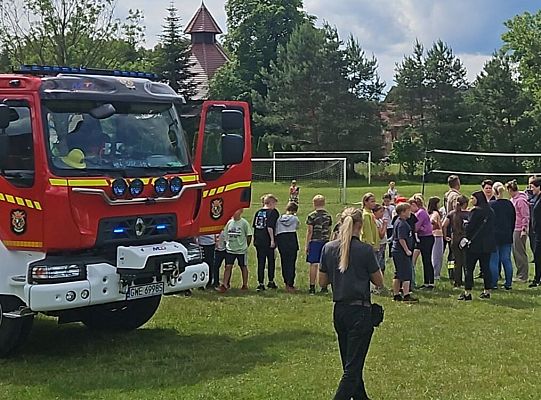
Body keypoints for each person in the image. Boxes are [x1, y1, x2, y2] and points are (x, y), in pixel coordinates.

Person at [319, 208, 384, 400]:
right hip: (360, 311)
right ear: (360, 225)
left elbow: (322, 282)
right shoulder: (364, 250)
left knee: (350, 362)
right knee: (352, 368)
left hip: (340, 310)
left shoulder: (328, 248)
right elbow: (379, 281)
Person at [459, 191, 496, 301]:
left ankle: (467, 292)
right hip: (487, 244)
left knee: (469, 269)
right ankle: (487, 291)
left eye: (472, 198)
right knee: (486, 268)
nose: (471, 200)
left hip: (474, 245)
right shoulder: (491, 211)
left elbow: (469, 227)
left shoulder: (475, 211)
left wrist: (465, 224)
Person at [216, 209, 253, 293]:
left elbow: (249, 235)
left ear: (241, 211)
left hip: (241, 250)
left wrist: (246, 245)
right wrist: (227, 243)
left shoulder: (244, 223)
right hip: (230, 249)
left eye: (237, 211)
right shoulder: (229, 222)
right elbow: (225, 234)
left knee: (243, 266)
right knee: (228, 266)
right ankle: (225, 284)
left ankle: (245, 284)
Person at [489, 182, 516, 290]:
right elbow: (513, 219)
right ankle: (508, 283)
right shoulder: (509, 204)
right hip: (507, 234)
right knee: (506, 259)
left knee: (494, 260)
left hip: (494, 236)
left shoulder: (491, 205)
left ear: (494, 192)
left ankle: (494, 283)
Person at [391, 203, 419, 302]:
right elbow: (401, 238)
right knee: (406, 273)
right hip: (401, 251)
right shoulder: (402, 224)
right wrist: (407, 250)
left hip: (397, 251)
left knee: (398, 273)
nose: (410, 212)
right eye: (408, 211)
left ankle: (396, 294)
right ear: (402, 212)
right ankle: (406, 295)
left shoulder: (400, 221)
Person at [306, 195, 332, 294]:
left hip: (315, 241)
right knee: (324, 265)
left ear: (314, 204)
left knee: (313, 264)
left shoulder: (312, 216)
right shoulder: (328, 216)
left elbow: (310, 231)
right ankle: (324, 286)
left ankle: (312, 286)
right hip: (325, 241)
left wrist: (307, 244)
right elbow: (329, 229)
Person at [253, 194, 280, 292]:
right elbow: (270, 227)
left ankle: (260, 282)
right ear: (271, 203)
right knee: (271, 261)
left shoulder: (258, 212)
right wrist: (273, 240)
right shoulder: (273, 212)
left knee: (261, 262)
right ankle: (271, 280)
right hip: (267, 240)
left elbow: (255, 227)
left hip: (259, 240)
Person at [443, 195, 470, 287]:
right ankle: (468, 280)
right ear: (465, 204)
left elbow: (444, 225)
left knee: (456, 261)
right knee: (466, 261)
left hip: (454, 239)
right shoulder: (468, 214)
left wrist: (445, 236)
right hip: (465, 239)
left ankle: (457, 280)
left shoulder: (451, 214)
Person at [409, 194, 435, 289]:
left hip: (426, 237)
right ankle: (427, 281)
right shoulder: (421, 212)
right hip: (423, 237)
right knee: (425, 259)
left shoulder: (420, 213)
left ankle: (430, 282)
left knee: (427, 259)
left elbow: (416, 227)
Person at [276, 202, 300, 293]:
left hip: (281, 239)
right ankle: (291, 283)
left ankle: (286, 282)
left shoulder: (279, 219)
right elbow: (297, 227)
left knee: (284, 262)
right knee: (291, 262)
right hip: (291, 238)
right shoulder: (295, 218)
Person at [444, 175, 462, 274]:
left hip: (449, 222)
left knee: (451, 251)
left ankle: (451, 270)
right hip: (454, 225)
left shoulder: (447, 194)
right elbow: (456, 209)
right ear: (457, 183)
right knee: (454, 251)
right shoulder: (455, 196)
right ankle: (453, 272)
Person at [428, 196, 444, 280]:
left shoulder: (430, 212)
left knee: (434, 254)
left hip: (433, 235)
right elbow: (432, 221)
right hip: (437, 235)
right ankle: (436, 274)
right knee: (437, 255)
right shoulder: (435, 213)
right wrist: (436, 226)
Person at [529, 177, 541, 287]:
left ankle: (537, 279)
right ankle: (537, 278)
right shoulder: (536, 197)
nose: (531, 189)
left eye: (532, 187)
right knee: (537, 255)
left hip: (540, 233)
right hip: (537, 232)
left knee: (538, 255)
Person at [373, 203, 388, 275]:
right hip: (380, 244)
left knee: (382, 263)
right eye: (380, 212)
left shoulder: (380, 220)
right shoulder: (376, 222)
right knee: (379, 262)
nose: (382, 214)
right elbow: (381, 235)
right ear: (375, 212)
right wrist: (385, 225)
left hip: (383, 244)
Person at [526, 176, 538, 257]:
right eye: (530, 183)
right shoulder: (526, 193)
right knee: (531, 239)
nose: (531, 186)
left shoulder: (537, 194)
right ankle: (535, 254)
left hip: (536, 220)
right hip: (530, 220)